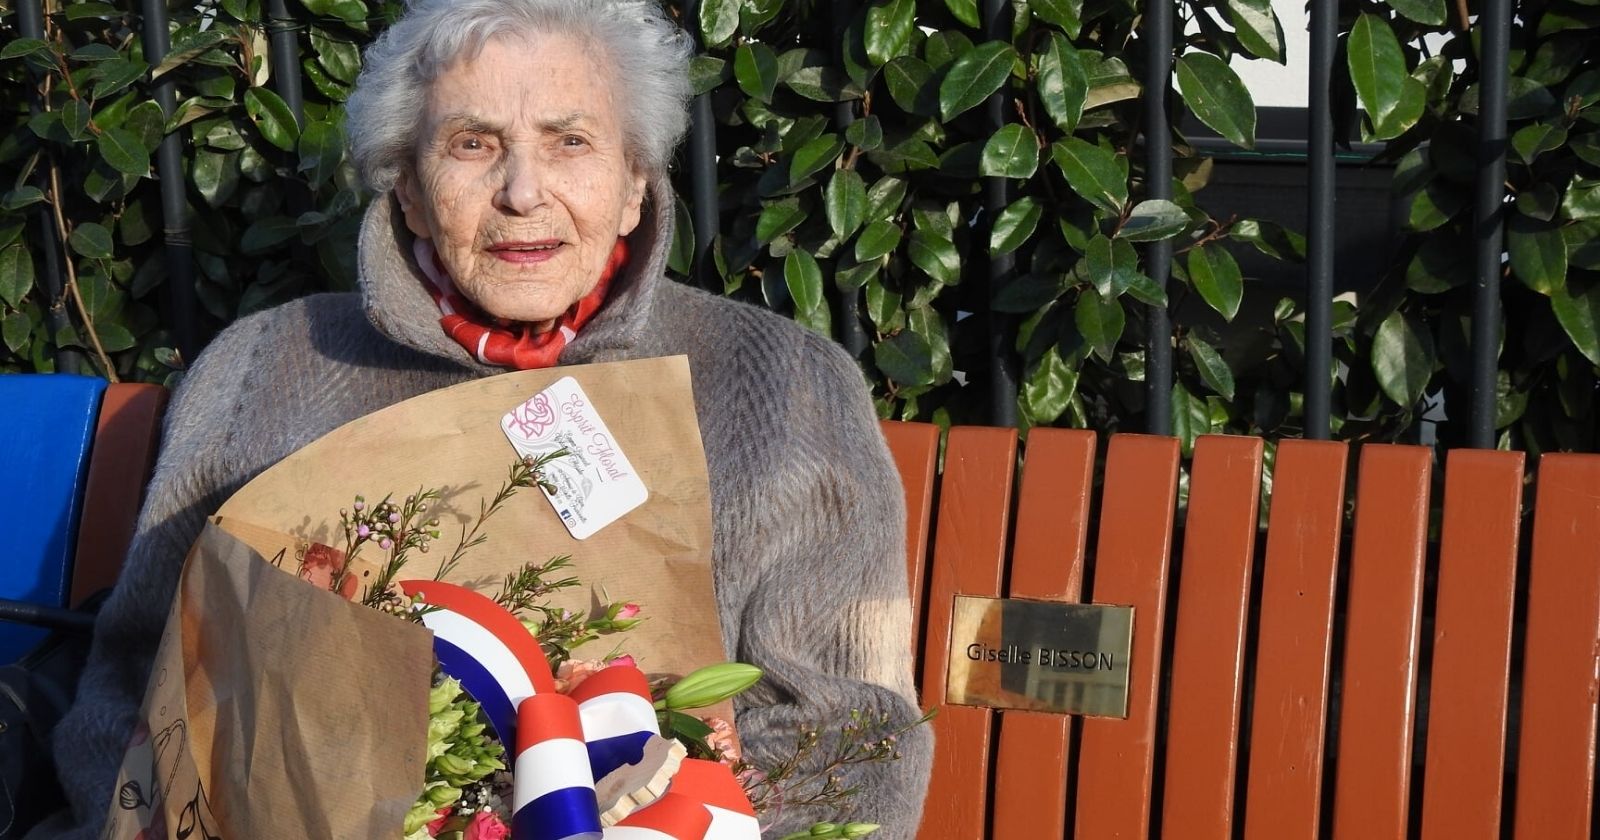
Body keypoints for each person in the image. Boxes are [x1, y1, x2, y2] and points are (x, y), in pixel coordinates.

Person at [30, 1, 931, 837]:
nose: (522, 192)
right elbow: (133, 676)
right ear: (409, 187)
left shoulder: (785, 384)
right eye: (472, 143)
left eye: (569, 140)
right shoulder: (260, 368)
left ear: (631, 183)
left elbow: (852, 736)